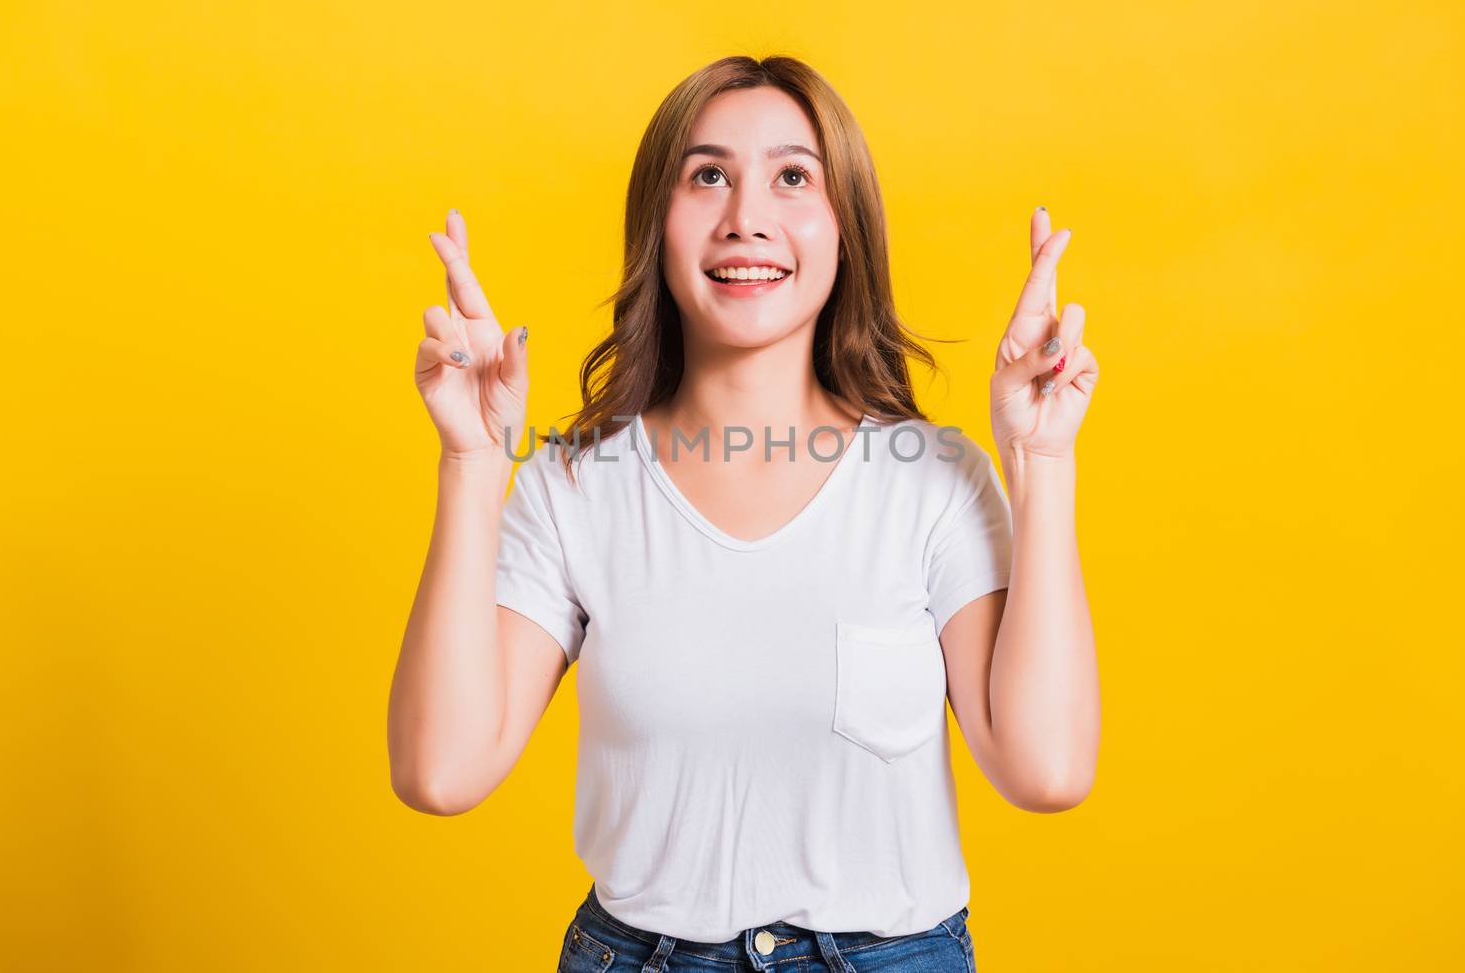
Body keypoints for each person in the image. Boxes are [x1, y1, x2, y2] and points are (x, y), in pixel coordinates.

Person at [387, 55, 1102, 972]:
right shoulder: (574, 487)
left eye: (793, 176)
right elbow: (440, 772)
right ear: (660, 222)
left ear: (848, 229)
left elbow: (1046, 770)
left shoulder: (934, 481)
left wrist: (1040, 461)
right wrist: (472, 461)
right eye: (708, 175)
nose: (746, 217)